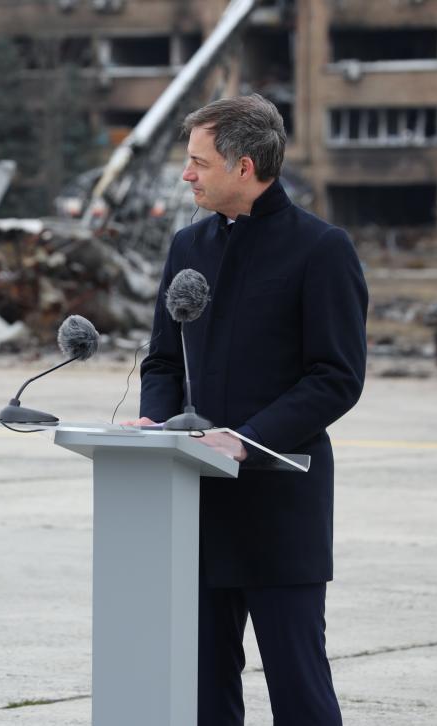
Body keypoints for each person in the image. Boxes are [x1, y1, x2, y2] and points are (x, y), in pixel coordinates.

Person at [125, 95, 368, 725]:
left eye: (198, 162)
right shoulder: (188, 246)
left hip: (279, 507)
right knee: (202, 691)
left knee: (299, 690)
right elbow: (161, 360)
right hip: (196, 508)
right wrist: (156, 421)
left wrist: (249, 437)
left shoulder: (321, 249)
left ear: (245, 165)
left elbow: (336, 377)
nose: (186, 175)